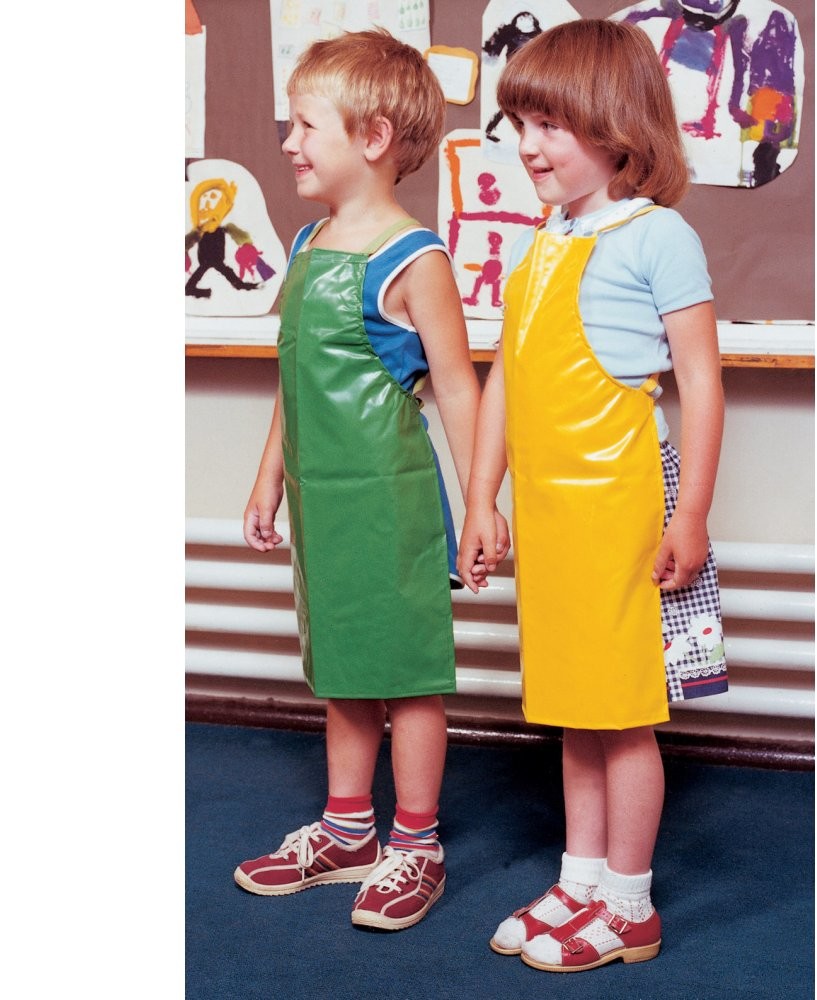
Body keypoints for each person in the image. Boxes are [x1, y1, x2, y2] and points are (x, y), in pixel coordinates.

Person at [457, 18, 729, 973]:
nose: (527, 145)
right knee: (572, 704)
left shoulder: (659, 236)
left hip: (622, 513)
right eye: (517, 122)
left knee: (622, 712)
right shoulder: (543, 241)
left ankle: (630, 903)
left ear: (616, 127)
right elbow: (504, 380)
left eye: (549, 125)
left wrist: (688, 511)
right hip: (552, 519)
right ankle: (580, 881)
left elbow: (700, 381)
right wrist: (483, 496)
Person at [235, 29, 492, 933]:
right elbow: (292, 372)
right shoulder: (307, 240)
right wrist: (268, 479)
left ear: (372, 138)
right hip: (320, 498)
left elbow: (459, 386)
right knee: (342, 660)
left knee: (408, 674)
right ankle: (349, 832)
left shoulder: (414, 257)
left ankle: (415, 844)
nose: (290, 143)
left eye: (306, 125)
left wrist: (482, 503)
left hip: (388, 500)